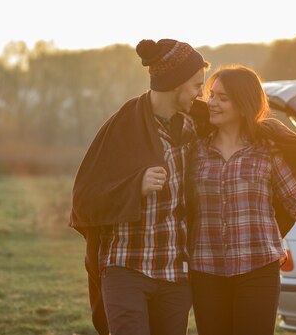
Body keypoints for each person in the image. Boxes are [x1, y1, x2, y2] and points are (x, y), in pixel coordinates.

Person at [187, 65, 296, 335]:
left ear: (244, 104)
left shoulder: (267, 152)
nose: (212, 103)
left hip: (257, 272)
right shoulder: (196, 151)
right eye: (212, 95)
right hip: (206, 272)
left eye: (222, 98)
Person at [70, 39, 211, 335]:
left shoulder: (198, 124)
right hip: (127, 269)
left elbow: (246, 126)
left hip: (175, 274)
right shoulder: (123, 125)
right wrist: (136, 185)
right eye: (198, 84)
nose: (202, 92)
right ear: (176, 83)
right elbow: (84, 200)